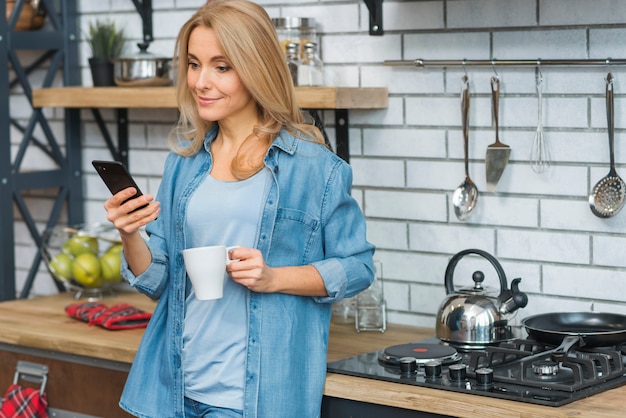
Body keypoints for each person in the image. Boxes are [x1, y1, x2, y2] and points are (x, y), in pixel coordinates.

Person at [103, 1, 375, 417]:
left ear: (256, 67)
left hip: (254, 399)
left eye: (221, 67)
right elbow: (156, 278)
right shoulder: (184, 162)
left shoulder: (313, 167)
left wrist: (273, 277)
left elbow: (357, 267)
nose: (201, 81)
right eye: (194, 64)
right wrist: (129, 233)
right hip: (174, 388)